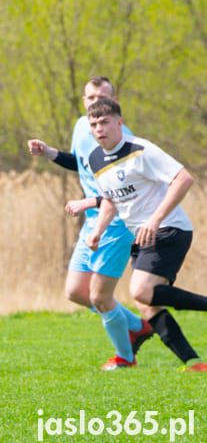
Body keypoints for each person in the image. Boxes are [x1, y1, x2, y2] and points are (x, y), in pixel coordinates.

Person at [27, 76, 153, 370]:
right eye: (90, 98)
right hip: (92, 220)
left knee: (99, 295)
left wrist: (89, 205)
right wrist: (49, 153)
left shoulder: (123, 140)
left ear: (115, 104)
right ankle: (136, 326)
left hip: (118, 222)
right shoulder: (83, 126)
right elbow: (80, 162)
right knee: (75, 292)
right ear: (84, 101)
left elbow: (123, 195)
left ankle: (125, 358)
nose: (95, 103)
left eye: (102, 98)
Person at [85, 98, 207, 372]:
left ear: (119, 123)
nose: (99, 129)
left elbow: (184, 179)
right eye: (93, 124)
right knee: (146, 303)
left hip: (169, 229)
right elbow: (110, 201)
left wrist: (155, 218)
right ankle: (194, 363)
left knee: (141, 291)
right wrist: (96, 232)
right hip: (141, 236)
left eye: (104, 122)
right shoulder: (95, 158)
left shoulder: (141, 150)